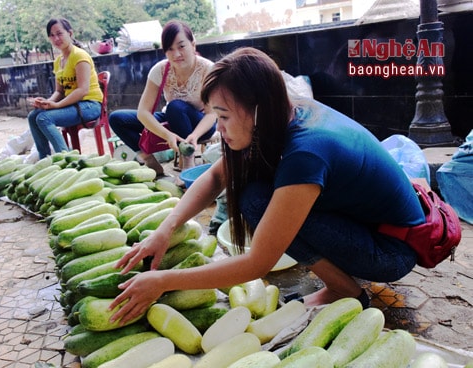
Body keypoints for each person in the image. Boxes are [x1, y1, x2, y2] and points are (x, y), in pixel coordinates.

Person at [108, 47, 425, 324]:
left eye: (224, 117)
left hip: (390, 252)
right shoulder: (281, 114)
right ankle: (341, 280)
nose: (219, 130)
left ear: (256, 109)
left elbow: (258, 262)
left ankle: (344, 289)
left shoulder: (307, 152)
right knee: (255, 193)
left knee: (256, 202)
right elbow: (218, 176)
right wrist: (166, 228)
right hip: (364, 227)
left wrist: (164, 281)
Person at [109, 20, 217, 176]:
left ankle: (188, 163)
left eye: (181, 46)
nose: (176, 54)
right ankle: (149, 160)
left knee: (175, 107)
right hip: (173, 119)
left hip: (200, 125)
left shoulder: (208, 69)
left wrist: (195, 135)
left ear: (193, 44)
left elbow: (212, 114)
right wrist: (167, 135)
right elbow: (143, 112)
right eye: (170, 49)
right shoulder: (160, 70)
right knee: (117, 118)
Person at [27, 18, 103, 159]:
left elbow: (82, 90)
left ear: (70, 33)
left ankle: (67, 160)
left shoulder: (80, 56)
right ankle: (45, 159)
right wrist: (47, 103)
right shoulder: (58, 61)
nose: (56, 38)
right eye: (52, 35)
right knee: (33, 116)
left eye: (59, 33)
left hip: (90, 105)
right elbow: (59, 91)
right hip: (73, 105)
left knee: (44, 119)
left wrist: (56, 105)